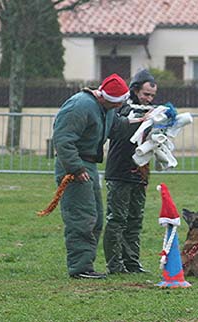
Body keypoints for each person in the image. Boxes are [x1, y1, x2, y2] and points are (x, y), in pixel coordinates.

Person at [53, 73, 130, 279]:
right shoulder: (79, 106)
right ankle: (80, 268)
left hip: (88, 165)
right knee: (81, 217)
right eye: (117, 103)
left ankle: (85, 264)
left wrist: (144, 123)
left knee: (94, 217)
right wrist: (76, 169)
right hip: (75, 166)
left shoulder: (105, 108)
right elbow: (62, 140)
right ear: (105, 98)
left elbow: (116, 128)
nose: (119, 106)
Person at [103, 69, 157, 274]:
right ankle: (114, 264)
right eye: (146, 94)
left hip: (140, 172)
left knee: (135, 219)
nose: (148, 99)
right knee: (117, 219)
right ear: (135, 90)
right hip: (120, 170)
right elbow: (121, 125)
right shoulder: (122, 108)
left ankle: (132, 263)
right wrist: (145, 117)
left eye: (152, 96)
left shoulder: (152, 111)